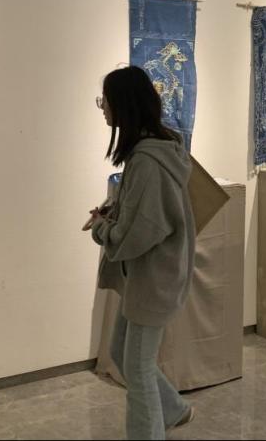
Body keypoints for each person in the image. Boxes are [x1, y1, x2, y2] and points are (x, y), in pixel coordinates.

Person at [85, 65, 196, 440]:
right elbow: (142, 216)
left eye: (106, 101)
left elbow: (134, 235)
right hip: (149, 275)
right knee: (122, 352)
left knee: (139, 367)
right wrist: (112, 215)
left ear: (124, 105)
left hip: (155, 277)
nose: (103, 108)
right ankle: (175, 410)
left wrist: (102, 228)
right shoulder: (152, 153)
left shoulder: (148, 161)